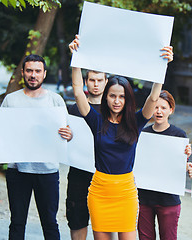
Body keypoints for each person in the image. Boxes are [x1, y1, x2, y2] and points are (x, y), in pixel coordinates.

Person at [69, 35, 173, 240]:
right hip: (99, 192)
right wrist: (76, 60)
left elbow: (153, 97)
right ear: (106, 97)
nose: (117, 101)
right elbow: (78, 93)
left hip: (125, 192)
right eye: (112, 95)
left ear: (128, 99)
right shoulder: (96, 120)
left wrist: (163, 66)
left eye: (122, 96)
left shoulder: (136, 120)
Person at [0, 54, 72, 240]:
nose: (33, 75)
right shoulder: (11, 100)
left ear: (44, 74)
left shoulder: (55, 101)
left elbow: (68, 133)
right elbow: (1, 131)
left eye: (37, 71)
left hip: (47, 171)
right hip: (17, 171)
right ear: (23, 73)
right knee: (17, 222)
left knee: (50, 223)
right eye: (29, 70)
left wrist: (69, 135)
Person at [137, 90, 192, 240]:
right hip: (144, 198)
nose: (159, 111)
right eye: (155, 107)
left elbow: (181, 166)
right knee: (145, 237)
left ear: (171, 110)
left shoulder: (179, 136)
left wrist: (186, 159)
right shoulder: (143, 134)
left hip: (168, 200)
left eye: (163, 108)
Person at [66, 69, 108, 240]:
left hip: (105, 176)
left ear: (106, 82)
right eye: (92, 80)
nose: (96, 84)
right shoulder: (73, 110)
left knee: (106, 225)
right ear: (85, 81)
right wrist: (65, 136)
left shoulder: (114, 109)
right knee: (77, 221)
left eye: (100, 80)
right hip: (78, 175)